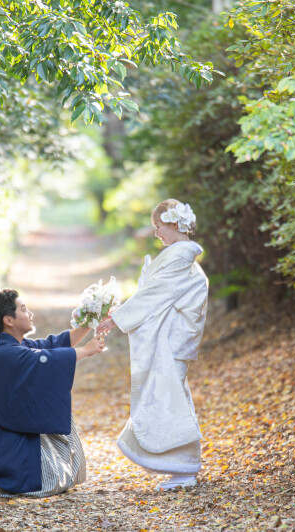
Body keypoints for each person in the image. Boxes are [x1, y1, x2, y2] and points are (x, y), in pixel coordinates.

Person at [0, 288, 106, 497]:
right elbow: (42, 359)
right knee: (50, 479)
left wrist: (90, 322)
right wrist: (85, 351)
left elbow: (52, 345)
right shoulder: (4, 352)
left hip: (7, 433)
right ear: (8, 320)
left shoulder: (14, 346)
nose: (30, 314)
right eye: (23, 309)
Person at [96, 199, 208, 491]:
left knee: (170, 397)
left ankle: (184, 468)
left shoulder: (179, 257)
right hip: (173, 338)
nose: (156, 232)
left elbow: (155, 295)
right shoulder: (179, 255)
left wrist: (116, 320)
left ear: (173, 224)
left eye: (158, 226)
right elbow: (155, 293)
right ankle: (182, 465)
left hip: (172, 339)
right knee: (171, 396)